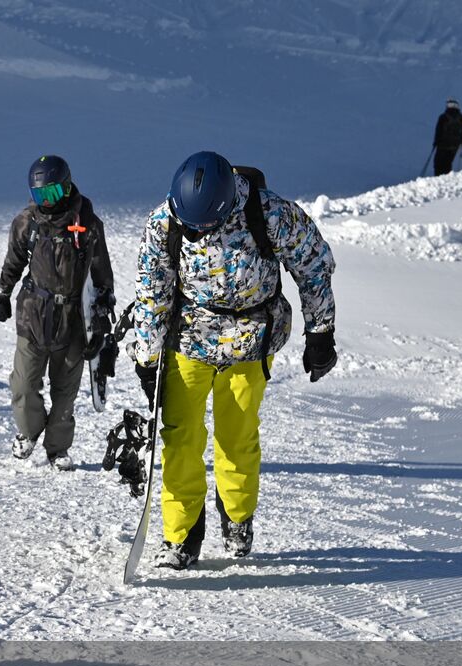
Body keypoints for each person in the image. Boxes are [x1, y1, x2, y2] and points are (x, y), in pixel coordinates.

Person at [131, 152, 336, 570]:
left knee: (236, 435)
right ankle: (181, 534)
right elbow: (152, 289)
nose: (194, 233)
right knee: (180, 437)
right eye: (189, 225)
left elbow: (314, 267)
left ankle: (237, 517)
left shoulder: (272, 213)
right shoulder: (165, 222)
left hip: (250, 340)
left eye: (203, 227)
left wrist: (321, 332)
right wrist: (147, 356)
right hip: (188, 340)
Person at [0, 155, 114, 471]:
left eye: (51, 194)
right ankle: (29, 432)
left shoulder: (88, 225)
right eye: (39, 195)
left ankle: (57, 448)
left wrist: (100, 321)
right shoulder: (27, 223)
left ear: (66, 186)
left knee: (65, 391)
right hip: (33, 314)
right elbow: (14, 261)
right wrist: (2, 292)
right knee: (23, 384)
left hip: (74, 320)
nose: (45, 202)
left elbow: (102, 276)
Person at [433, 99, 462, 176]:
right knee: (448, 162)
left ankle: (437, 178)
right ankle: (447, 178)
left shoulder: (443, 117)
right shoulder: (461, 118)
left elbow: (438, 130)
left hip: (443, 144)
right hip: (455, 145)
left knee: (438, 162)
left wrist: (436, 142)